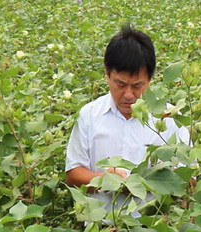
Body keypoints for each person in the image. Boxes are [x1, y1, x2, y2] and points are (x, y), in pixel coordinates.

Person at [65, 25, 190, 219]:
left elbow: (188, 178)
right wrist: (106, 180)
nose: (129, 94)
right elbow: (73, 174)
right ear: (107, 74)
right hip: (100, 227)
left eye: (137, 85)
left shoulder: (169, 118)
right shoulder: (89, 116)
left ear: (149, 80)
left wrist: (148, 182)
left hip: (155, 229)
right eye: (120, 84)